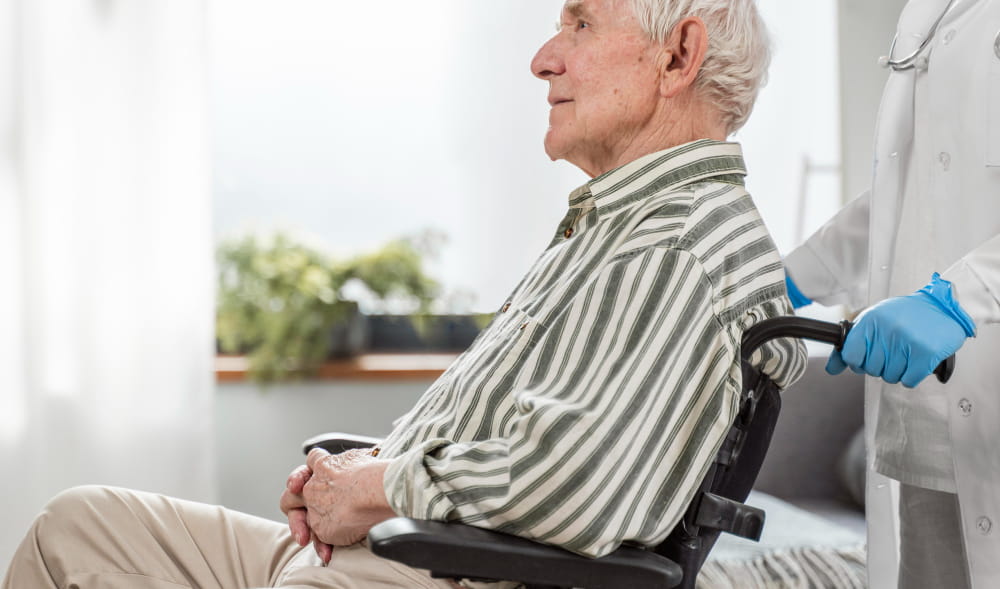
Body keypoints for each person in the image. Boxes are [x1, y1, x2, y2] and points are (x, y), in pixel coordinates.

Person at [3, 1, 805, 587]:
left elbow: (573, 484)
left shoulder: (679, 246)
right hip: (397, 545)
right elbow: (518, 436)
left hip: (445, 571)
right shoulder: (619, 224)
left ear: (677, 56)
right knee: (73, 527)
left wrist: (375, 488)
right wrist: (355, 473)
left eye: (581, 22)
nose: (543, 57)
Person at [782, 0, 1000, 587]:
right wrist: (794, 277)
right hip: (932, 428)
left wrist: (962, 297)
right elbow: (911, 192)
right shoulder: (938, 13)